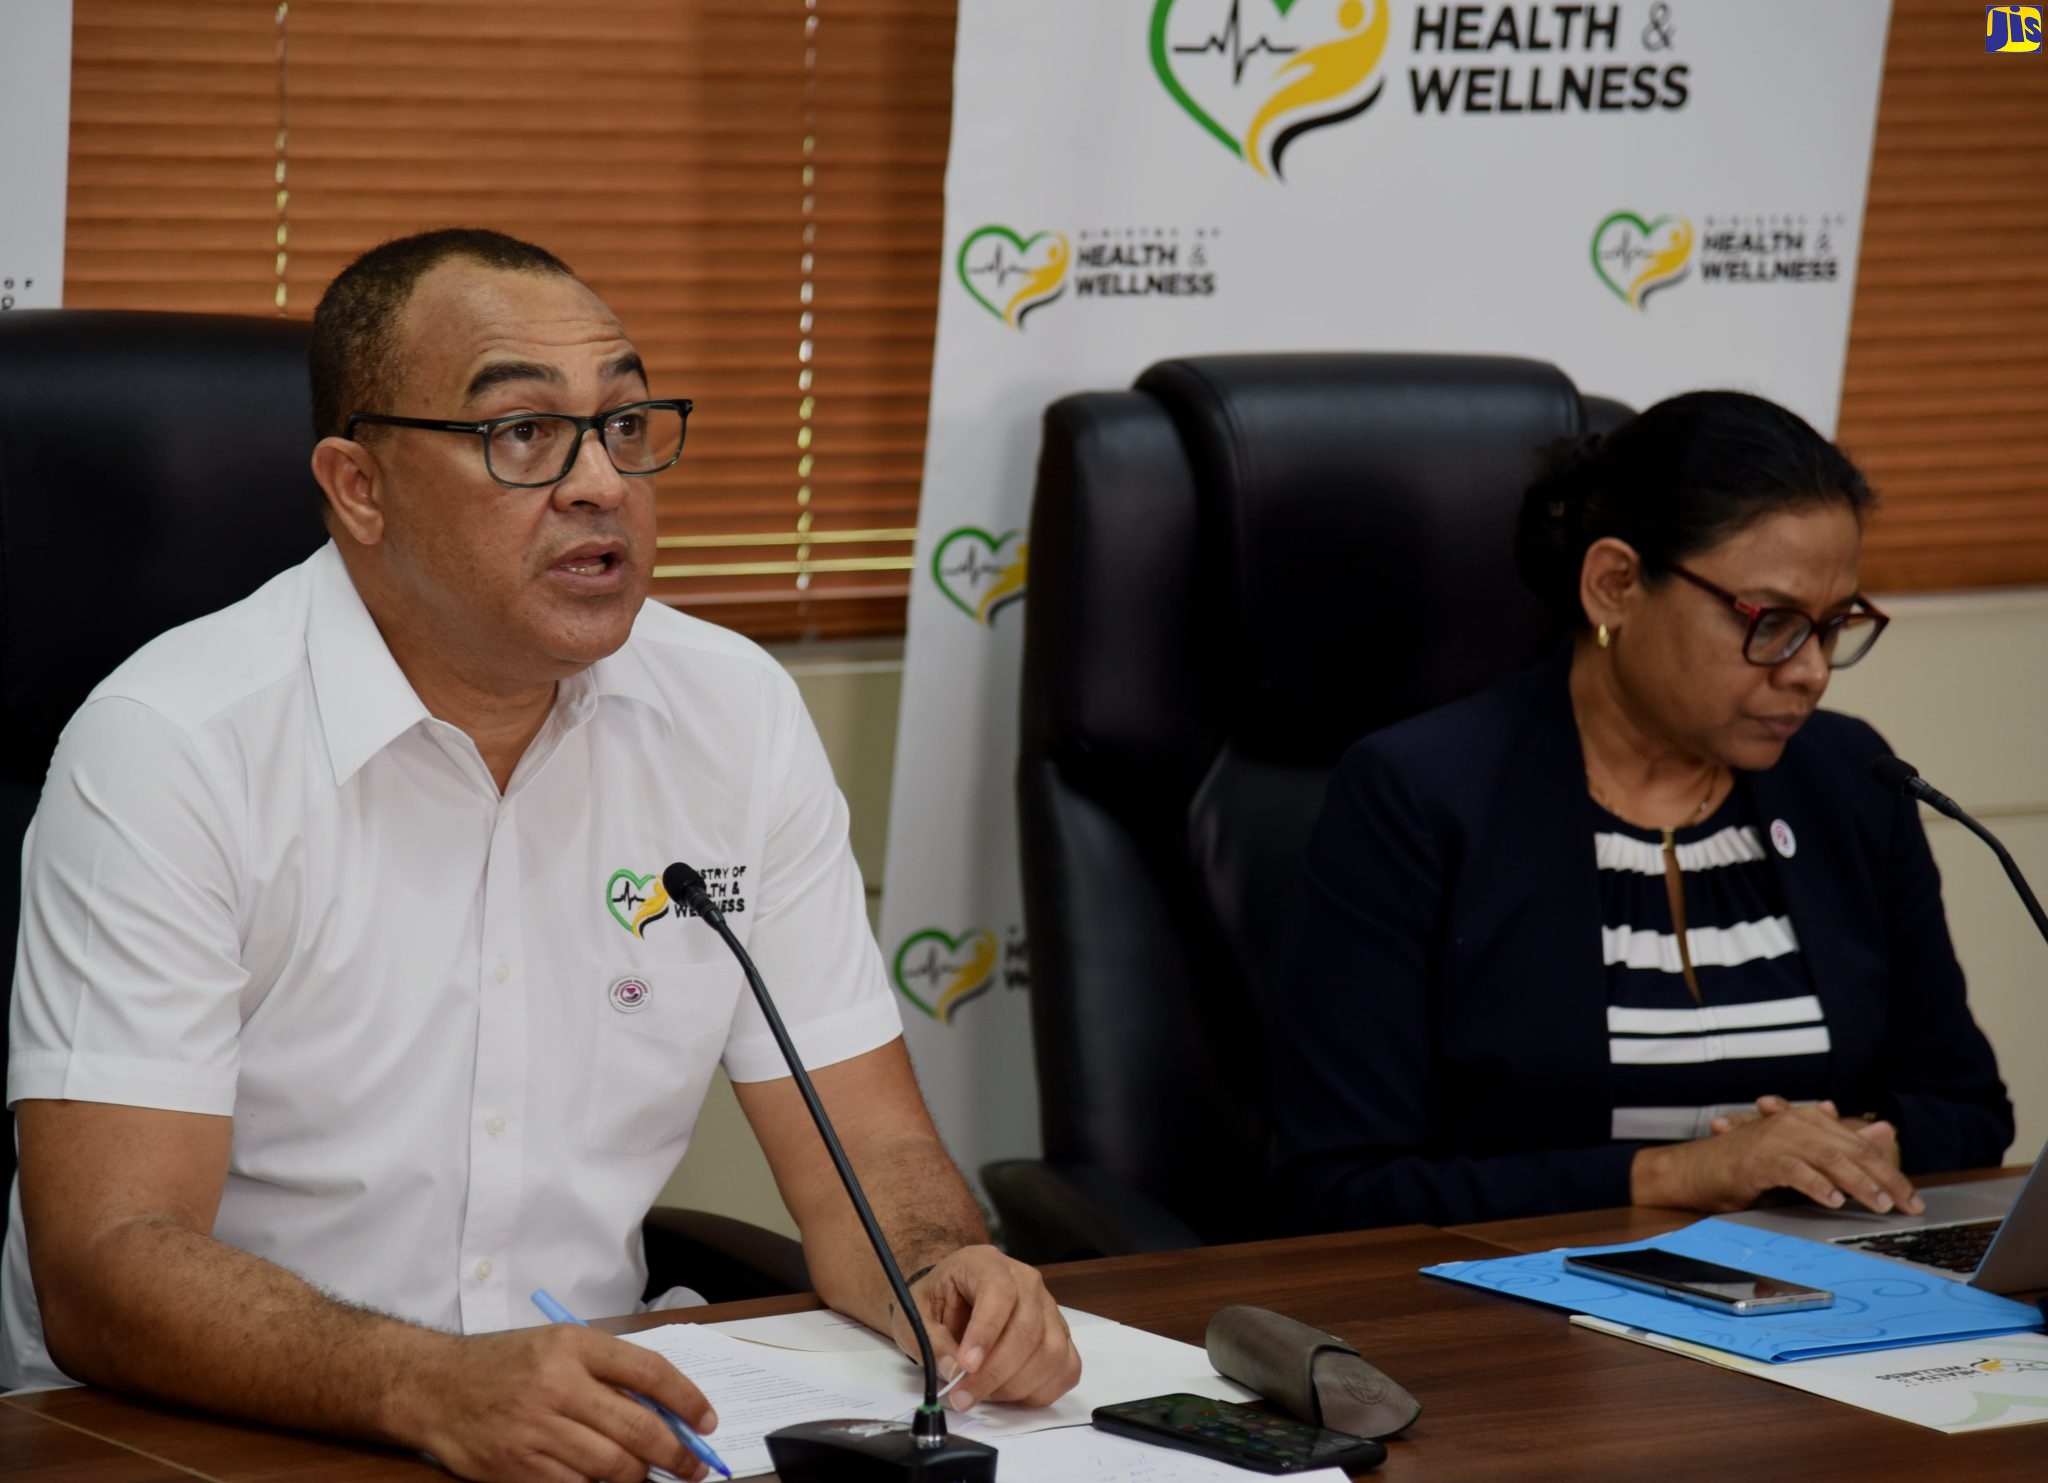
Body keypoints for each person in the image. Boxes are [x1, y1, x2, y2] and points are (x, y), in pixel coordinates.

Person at [3, 229, 1079, 1480]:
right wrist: (432, 1384)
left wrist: (947, 1275)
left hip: (581, 1432)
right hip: (190, 1435)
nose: (599, 484)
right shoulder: (174, 745)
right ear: (359, 487)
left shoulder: (731, 716)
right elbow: (107, 1260)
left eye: (624, 426)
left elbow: (870, 1159)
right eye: (523, 434)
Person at [1270, 390, 2013, 1232]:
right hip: (1523, 1315)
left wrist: (1852, 1146)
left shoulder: (1848, 780)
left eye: (1835, 623)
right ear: (1616, 585)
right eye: (1771, 623)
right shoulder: (1418, 797)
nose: (1811, 671)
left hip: (1832, 1298)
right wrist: (1681, 1173)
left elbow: (1970, 1111)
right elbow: (1342, 1188)